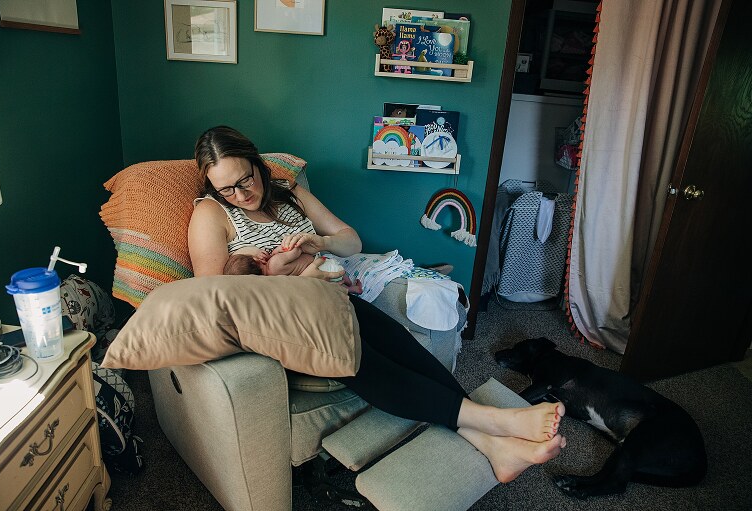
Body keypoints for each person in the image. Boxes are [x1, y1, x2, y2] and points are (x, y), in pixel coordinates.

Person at [188, 126, 567, 483]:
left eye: (245, 180)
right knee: (362, 358)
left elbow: (349, 240)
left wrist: (317, 243)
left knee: (398, 344)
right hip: (283, 320)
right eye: (227, 189)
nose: (240, 194)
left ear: (257, 164)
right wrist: (302, 280)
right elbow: (215, 297)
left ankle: (493, 445)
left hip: (329, 297)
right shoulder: (210, 213)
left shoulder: (288, 192)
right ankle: (497, 423)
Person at [223, 247, 364, 294]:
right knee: (341, 274)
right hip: (323, 267)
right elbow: (296, 251)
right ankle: (351, 284)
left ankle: (352, 290)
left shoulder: (270, 282)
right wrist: (277, 251)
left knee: (337, 287)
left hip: (319, 285)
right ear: (257, 260)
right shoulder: (275, 262)